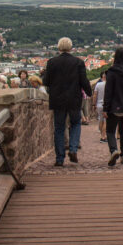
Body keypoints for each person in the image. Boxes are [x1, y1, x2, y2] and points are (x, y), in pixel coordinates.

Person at [42, 37, 92, 166]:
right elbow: (84, 81)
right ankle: (73, 149)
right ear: (71, 48)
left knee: (59, 128)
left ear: (59, 47)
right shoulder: (78, 62)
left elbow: (46, 82)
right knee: (75, 124)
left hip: (57, 99)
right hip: (74, 99)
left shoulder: (52, 62)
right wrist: (89, 92)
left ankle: (59, 158)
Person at [92, 71, 107, 142]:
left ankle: (101, 135)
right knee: (106, 121)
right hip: (106, 105)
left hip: (99, 104)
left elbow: (95, 95)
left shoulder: (98, 84)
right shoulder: (109, 84)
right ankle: (103, 136)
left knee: (101, 120)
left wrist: (94, 104)